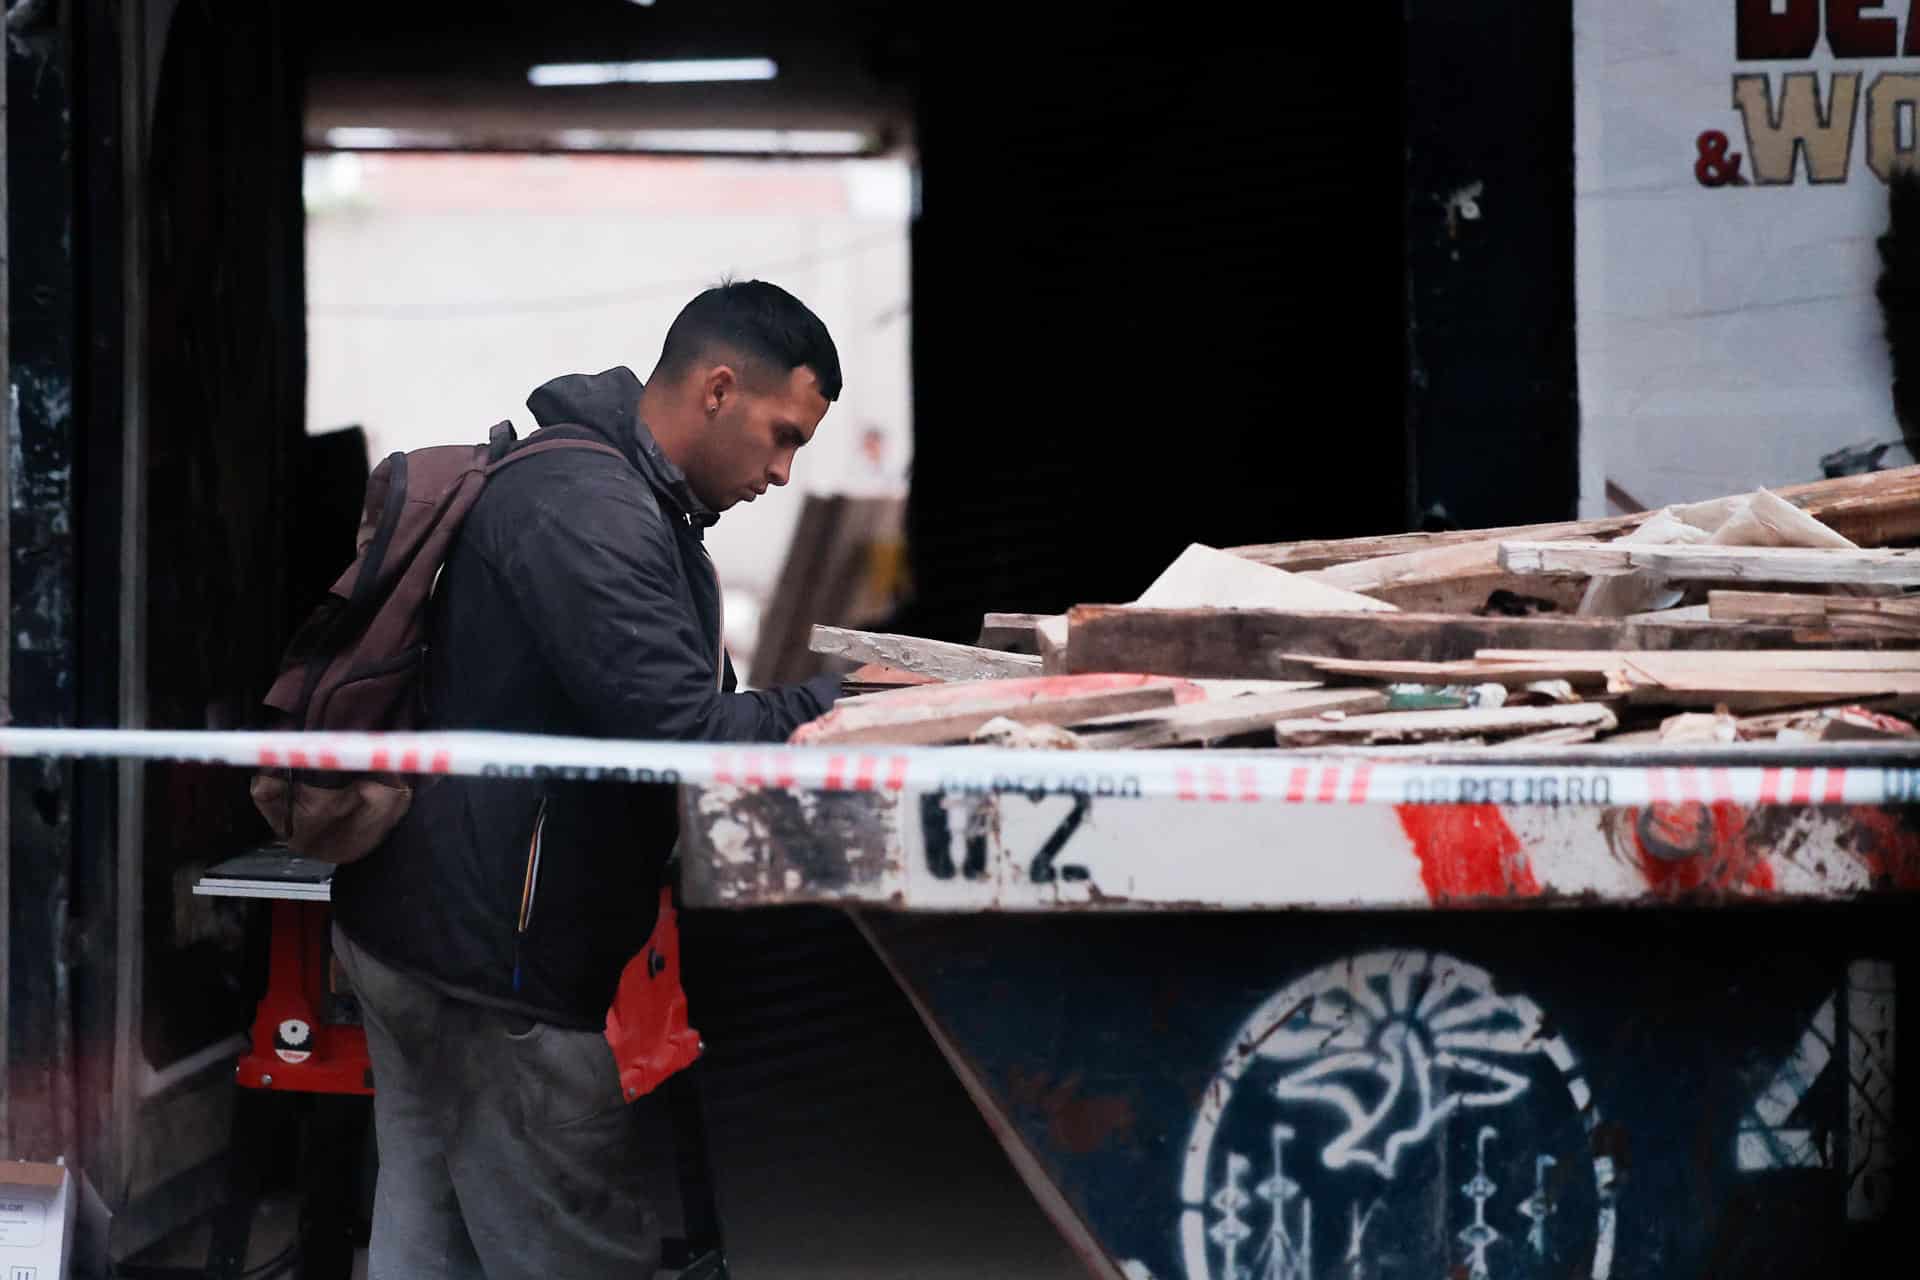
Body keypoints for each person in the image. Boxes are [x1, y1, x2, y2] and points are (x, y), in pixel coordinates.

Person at [328, 280, 845, 1278]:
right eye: (782, 435)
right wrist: (847, 706)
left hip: (428, 923)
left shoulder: (611, 492)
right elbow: (683, 733)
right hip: (491, 956)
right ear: (719, 388)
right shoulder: (589, 510)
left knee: (426, 1227)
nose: (782, 472)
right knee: (567, 1238)